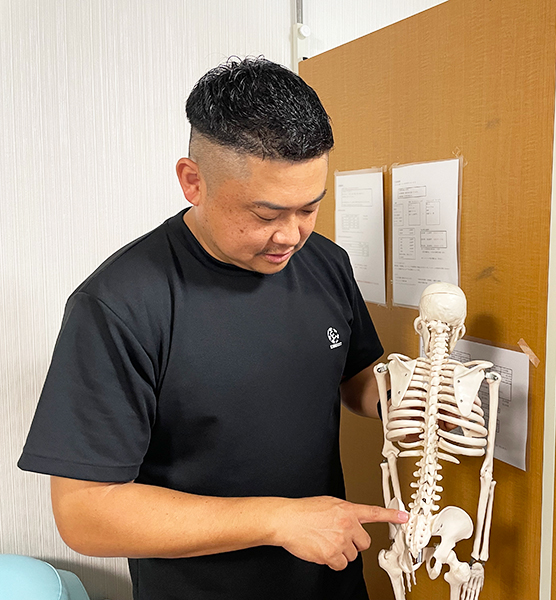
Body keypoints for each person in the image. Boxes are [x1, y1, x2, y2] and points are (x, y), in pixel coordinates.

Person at [18, 56, 407, 600]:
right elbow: (86, 513)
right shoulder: (120, 304)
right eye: (266, 214)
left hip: (330, 579)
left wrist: (411, 396)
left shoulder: (325, 263)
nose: (290, 236)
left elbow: (356, 380)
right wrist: (278, 520)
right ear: (192, 181)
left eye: (309, 208)